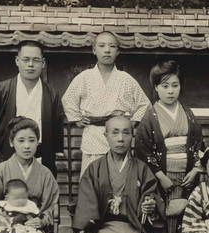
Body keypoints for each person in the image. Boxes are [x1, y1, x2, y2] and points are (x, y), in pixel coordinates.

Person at [134, 60, 206, 233]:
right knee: (163, 229)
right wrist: (159, 175)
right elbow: (143, 150)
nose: (170, 90)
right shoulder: (150, 116)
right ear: (155, 87)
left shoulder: (188, 114)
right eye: (164, 86)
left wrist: (196, 169)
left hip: (186, 179)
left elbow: (199, 145)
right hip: (161, 182)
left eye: (175, 85)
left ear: (181, 86)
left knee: (184, 227)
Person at [62, 31, 151, 177]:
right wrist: (77, 119)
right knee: (92, 179)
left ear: (118, 51)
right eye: (102, 46)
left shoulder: (125, 79)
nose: (107, 50)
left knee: (119, 178)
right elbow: (68, 100)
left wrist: (132, 123)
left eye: (112, 46)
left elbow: (144, 104)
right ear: (94, 50)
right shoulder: (84, 77)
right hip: (93, 135)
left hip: (119, 136)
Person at [0, 40, 64, 177]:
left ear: (43, 63)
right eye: (26, 59)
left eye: (36, 60)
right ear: (17, 61)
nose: (30, 64)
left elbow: (57, 124)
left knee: (42, 190)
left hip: (41, 153)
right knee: (11, 192)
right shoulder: (2, 89)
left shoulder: (52, 93)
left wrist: (57, 148)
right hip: (10, 151)